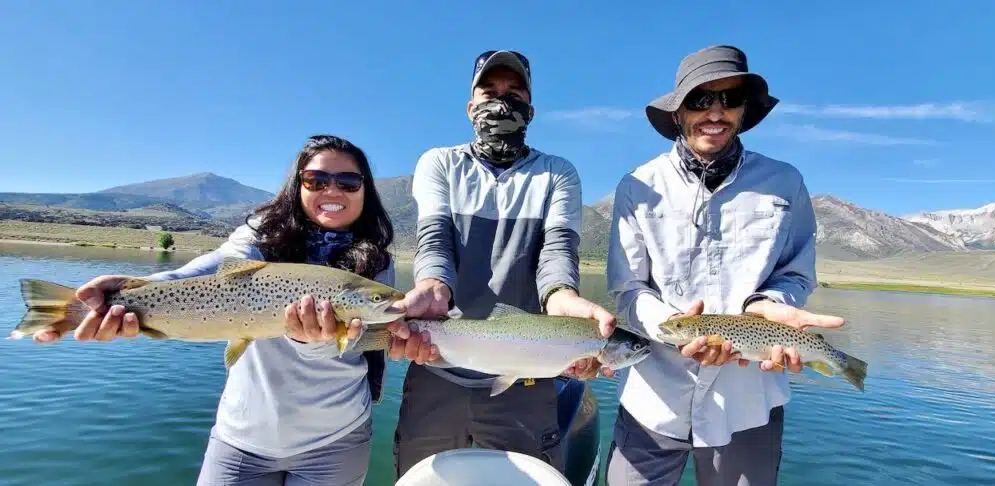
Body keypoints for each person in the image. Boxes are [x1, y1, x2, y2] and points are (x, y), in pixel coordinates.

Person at [29, 134, 398, 486]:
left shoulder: (377, 263)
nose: (332, 190)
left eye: (348, 182)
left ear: (365, 189)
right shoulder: (260, 236)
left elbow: (363, 342)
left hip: (336, 440)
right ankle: (53, 312)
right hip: (243, 439)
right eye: (315, 180)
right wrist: (136, 287)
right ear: (297, 185)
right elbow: (208, 269)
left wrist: (320, 342)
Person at [604, 45, 848, 485]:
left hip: (748, 404)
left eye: (729, 99)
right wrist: (674, 327)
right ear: (678, 111)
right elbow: (628, 289)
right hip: (652, 400)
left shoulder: (785, 182)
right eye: (700, 100)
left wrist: (768, 305)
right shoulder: (638, 185)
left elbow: (795, 273)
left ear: (743, 109)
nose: (715, 112)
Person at [383, 49, 617, 480]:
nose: (501, 102)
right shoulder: (439, 163)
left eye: (514, 93)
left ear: (531, 109)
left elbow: (557, 252)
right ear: (470, 106)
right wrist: (433, 285)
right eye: (489, 92)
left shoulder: (558, 173)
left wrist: (561, 296)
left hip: (527, 374)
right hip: (437, 364)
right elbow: (434, 242)